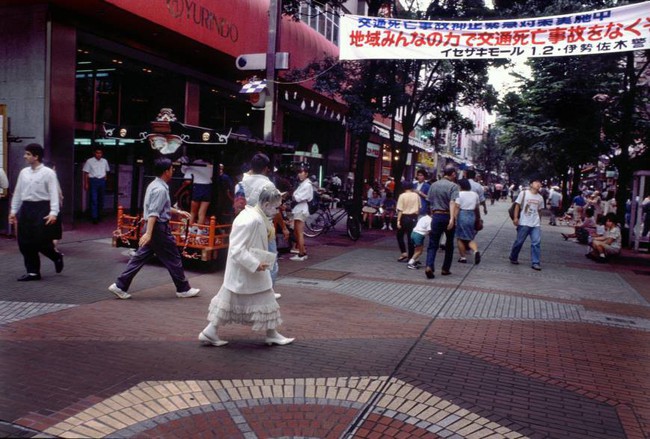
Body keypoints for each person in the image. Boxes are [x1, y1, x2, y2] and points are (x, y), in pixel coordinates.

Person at [198, 186, 294, 347]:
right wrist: (255, 264)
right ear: (266, 204)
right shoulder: (252, 219)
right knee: (263, 298)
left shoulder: (254, 216)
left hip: (245, 271)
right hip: (247, 269)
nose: (278, 211)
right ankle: (271, 334)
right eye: (276, 207)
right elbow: (236, 248)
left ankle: (211, 331)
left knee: (230, 299)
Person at [108, 157, 200, 299]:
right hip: (159, 229)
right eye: (171, 168)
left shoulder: (154, 185)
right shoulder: (160, 190)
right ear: (166, 172)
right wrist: (149, 233)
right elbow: (154, 213)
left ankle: (120, 285)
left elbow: (159, 207)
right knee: (173, 258)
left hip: (155, 228)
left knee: (139, 258)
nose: (173, 170)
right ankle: (183, 289)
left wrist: (178, 212)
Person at [9, 143, 64, 281]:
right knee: (24, 241)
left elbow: (53, 193)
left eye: (28, 154)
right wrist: (13, 210)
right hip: (26, 208)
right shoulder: (23, 173)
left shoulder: (48, 173)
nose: (25, 156)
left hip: (42, 208)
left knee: (40, 241)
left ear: (36, 156)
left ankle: (56, 256)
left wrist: (53, 212)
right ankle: (33, 272)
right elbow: (18, 193)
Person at [424, 165, 459, 279]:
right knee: (449, 244)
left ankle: (429, 265)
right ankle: (445, 269)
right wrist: (452, 219)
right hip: (447, 215)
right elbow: (452, 202)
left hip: (436, 216)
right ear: (453, 174)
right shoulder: (453, 186)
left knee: (433, 243)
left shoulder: (433, 185)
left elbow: (429, 201)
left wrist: (432, 214)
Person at [509, 180, 544, 271]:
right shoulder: (524, 193)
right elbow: (517, 206)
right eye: (536, 182)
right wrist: (516, 218)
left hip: (535, 224)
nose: (538, 184)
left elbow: (540, 211)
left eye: (539, 183)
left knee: (536, 243)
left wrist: (539, 222)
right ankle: (513, 256)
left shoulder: (540, 198)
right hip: (524, 222)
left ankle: (535, 262)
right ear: (531, 184)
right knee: (519, 242)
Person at [181, 157, 213, 231]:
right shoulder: (209, 165)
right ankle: (199, 234)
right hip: (208, 187)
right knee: (202, 213)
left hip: (198, 186)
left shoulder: (193, 165)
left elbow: (187, 181)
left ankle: (189, 231)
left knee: (193, 212)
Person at [454, 178, 481, 265]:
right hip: (471, 215)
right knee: (469, 237)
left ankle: (463, 257)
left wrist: (454, 218)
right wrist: (478, 219)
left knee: (459, 237)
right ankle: (476, 251)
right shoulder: (475, 194)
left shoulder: (459, 194)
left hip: (462, 215)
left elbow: (457, 207)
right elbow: (477, 208)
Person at [290, 163, 313, 261]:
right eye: (299, 172)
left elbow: (298, 197)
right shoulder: (303, 184)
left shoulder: (307, 185)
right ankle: (302, 251)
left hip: (301, 209)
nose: (299, 174)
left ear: (306, 174)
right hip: (299, 209)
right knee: (297, 231)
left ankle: (301, 254)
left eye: (301, 172)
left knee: (299, 232)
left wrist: (294, 196)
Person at [82, 147, 110, 224]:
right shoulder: (89, 161)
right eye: (97, 153)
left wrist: (105, 179)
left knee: (101, 199)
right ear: (94, 153)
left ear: (102, 154)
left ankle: (99, 215)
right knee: (94, 199)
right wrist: (86, 183)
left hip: (102, 180)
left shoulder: (104, 161)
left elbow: (106, 171)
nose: (99, 154)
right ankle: (94, 217)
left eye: (100, 153)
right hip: (93, 180)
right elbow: (86, 173)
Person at [395, 181, 420, 263]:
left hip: (404, 217)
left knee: (399, 235)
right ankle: (411, 256)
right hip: (414, 217)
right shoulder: (416, 195)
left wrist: (398, 220)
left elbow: (400, 210)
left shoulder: (402, 196)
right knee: (410, 237)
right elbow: (419, 207)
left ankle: (404, 252)